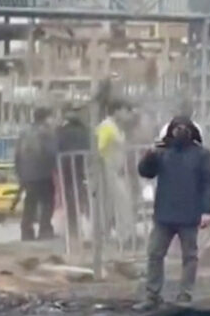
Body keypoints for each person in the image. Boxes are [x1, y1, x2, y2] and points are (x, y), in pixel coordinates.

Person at [135, 116, 210, 309]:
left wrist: (207, 211)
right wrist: (149, 156)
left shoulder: (202, 155)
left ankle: (185, 296)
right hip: (164, 214)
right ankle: (152, 296)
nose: (180, 131)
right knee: (155, 253)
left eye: (184, 128)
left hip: (190, 215)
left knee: (189, 256)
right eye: (176, 127)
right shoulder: (162, 153)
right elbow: (145, 172)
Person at [95, 100, 136, 246]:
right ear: (117, 111)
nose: (127, 115)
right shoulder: (107, 127)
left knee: (114, 205)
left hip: (114, 170)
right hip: (108, 170)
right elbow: (98, 148)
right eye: (126, 111)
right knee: (121, 203)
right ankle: (124, 237)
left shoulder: (114, 127)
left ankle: (117, 236)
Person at [15, 107, 59, 241]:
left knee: (30, 203)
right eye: (51, 117)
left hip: (26, 174)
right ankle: (45, 229)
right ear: (46, 118)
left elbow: (17, 155)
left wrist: (20, 173)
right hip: (43, 173)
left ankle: (26, 231)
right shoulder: (46, 133)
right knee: (47, 202)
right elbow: (51, 153)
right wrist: (55, 167)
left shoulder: (24, 132)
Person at [56, 104, 91, 242]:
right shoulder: (84, 129)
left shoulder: (62, 131)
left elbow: (57, 147)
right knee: (81, 197)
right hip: (80, 168)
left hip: (66, 168)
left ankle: (73, 228)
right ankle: (81, 228)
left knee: (71, 199)